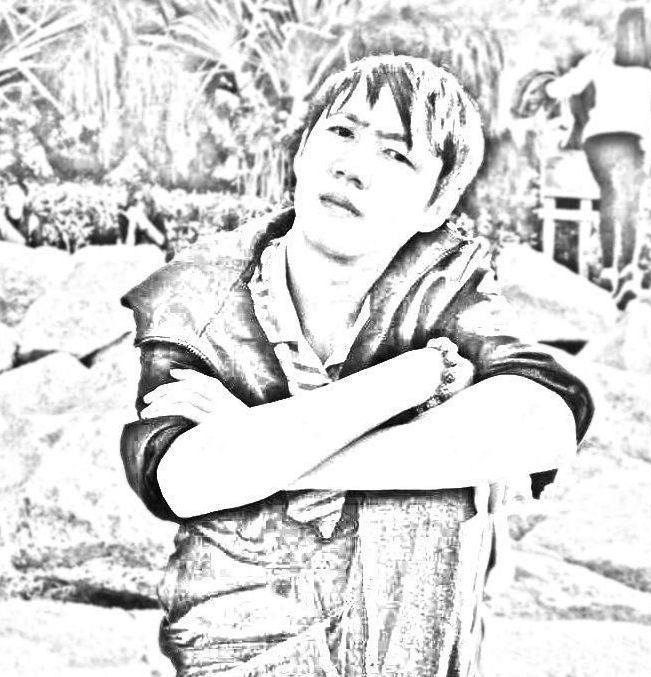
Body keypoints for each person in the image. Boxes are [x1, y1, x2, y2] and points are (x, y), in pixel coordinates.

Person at [120, 55, 593, 677]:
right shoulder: (201, 293)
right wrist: (417, 378)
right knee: (438, 455)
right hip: (246, 635)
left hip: (405, 646)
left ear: (434, 208)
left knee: (442, 484)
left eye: (396, 155)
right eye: (342, 132)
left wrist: (269, 453)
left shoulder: (442, 283)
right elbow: (184, 479)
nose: (353, 166)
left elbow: (546, 419)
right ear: (302, 152)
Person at [543, 6, 651, 306]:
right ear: (648, 32)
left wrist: (547, 86)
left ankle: (607, 270)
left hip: (599, 140)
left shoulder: (601, 57)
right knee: (630, 204)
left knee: (610, 197)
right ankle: (627, 271)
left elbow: (564, 88)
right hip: (635, 142)